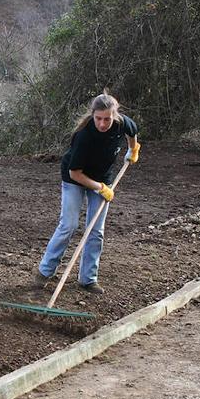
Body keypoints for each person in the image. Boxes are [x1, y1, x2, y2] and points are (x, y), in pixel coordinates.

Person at [35, 91, 140, 294]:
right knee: (69, 225)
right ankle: (44, 272)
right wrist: (100, 188)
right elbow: (75, 173)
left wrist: (132, 150)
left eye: (107, 119)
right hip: (75, 178)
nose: (102, 123)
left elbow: (133, 132)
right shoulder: (83, 137)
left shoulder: (122, 123)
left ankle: (88, 279)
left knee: (96, 231)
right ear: (92, 115)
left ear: (114, 116)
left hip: (102, 177)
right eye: (98, 118)